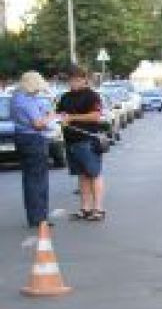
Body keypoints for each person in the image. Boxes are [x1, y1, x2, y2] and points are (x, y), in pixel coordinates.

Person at [56, 67, 106, 219]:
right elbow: (60, 113)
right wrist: (60, 118)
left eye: (77, 79)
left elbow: (95, 116)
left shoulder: (92, 96)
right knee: (82, 175)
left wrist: (72, 118)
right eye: (71, 80)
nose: (73, 82)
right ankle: (85, 208)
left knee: (94, 174)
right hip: (71, 141)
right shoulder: (65, 97)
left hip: (87, 140)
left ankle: (98, 209)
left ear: (85, 79)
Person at [11, 72, 59, 228]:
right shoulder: (27, 101)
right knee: (38, 180)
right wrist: (52, 117)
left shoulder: (16, 97)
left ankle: (34, 215)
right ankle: (39, 217)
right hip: (34, 139)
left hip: (21, 137)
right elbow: (38, 124)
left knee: (30, 179)